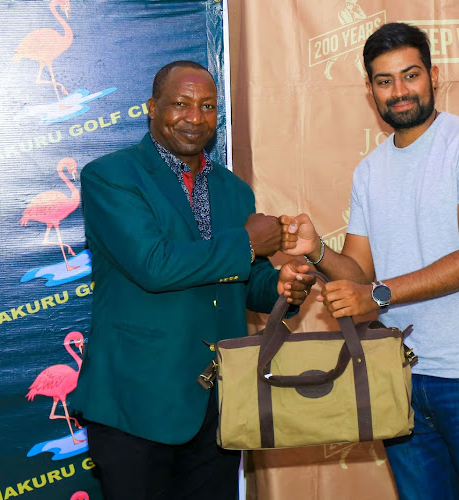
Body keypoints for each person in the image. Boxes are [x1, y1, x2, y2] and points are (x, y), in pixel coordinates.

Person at [282, 23, 459, 500]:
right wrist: (317, 252)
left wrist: (377, 296)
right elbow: (359, 272)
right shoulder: (370, 169)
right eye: (385, 80)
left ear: (435, 75)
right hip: (399, 375)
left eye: (410, 75)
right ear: (370, 92)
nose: (400, 91)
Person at [71, 60, 314, 500]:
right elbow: (154, 264)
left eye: (207, 106)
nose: (195, 117)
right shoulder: (110, 176)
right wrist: (246, 243)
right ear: (152, 107)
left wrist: (282, 285)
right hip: (137, 401)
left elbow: (243, 280)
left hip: (218, 402)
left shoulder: (234, 189)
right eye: (181, 104)